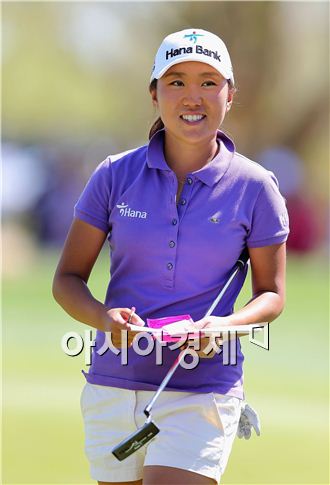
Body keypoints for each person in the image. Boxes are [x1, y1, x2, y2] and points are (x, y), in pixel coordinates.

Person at [53, 28, 289, 485]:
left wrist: (220, 327)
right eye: (176, 81)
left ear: (230, 94)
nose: (192, 96)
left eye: (208, 81)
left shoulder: (256, 186)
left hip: (202, 389)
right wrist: (105, 320)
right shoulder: (113, 175)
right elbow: (67, 278)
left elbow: (271, 295)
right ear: (154, 93)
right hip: (112, 384)